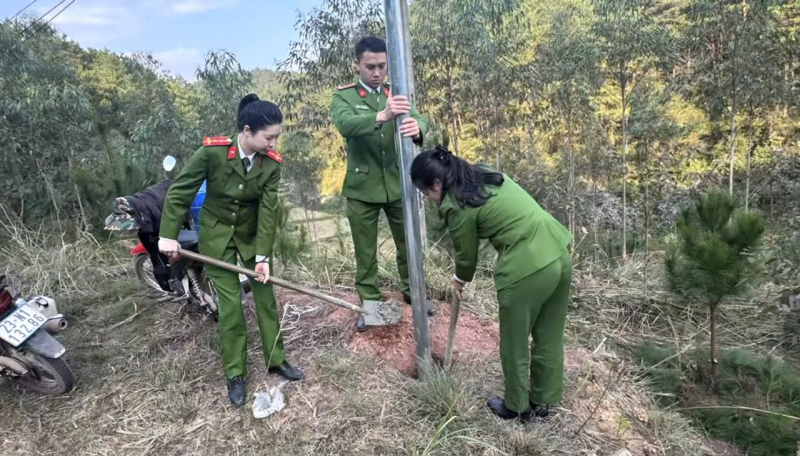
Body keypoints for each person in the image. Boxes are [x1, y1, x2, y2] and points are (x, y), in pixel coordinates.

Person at [158, 94, 303, 408]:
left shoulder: (271, 164)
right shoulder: (214, 153)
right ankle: (235, 372)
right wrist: (167, 236)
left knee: (266, 298)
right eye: (270, 137)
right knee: (231, 307)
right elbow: (180, 192)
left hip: (252, 237)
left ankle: (276, 360)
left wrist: (263, 256)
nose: (274, 144)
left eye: (277, 137)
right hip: (217, 236)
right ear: (248, 131)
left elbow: (268, 210)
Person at [410, 146, 573, 421]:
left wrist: (459, 279)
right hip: (558, 251)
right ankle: (543, 401)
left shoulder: (457, 204)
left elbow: (466, 253)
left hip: (527, 265)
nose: (430, 199)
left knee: (515, 341)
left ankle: (517, 406)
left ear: (437, 183)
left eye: (427, 193)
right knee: (549, 334)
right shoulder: (482, 174)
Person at [331, 36, 431, 330]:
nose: (377, 73)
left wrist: (417, 129)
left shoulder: (395, 91)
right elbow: (345, 125)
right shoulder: (344, 97)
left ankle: (415, 296)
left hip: (398, 184)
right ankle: (371, 307)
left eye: (382, 66)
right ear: (358, 65)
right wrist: (382, 115)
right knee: (366, 253)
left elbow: (421, 120)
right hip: (362, 189)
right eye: (370, 66)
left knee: (409, 246)